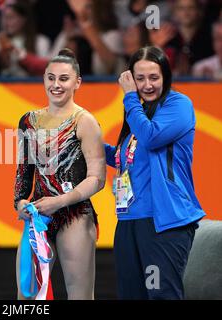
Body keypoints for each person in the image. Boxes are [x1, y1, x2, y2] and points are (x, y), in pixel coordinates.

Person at [105, 46, 206, 299]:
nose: (147, 85)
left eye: (154, 77)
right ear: (131, 78)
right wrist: (89, 140)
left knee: (161, 295)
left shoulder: (178, 104)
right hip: (129, 221)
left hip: (165, 221)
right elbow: (124, 158)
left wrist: (129, 97)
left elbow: (150, 138)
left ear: (166, 77)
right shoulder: (139, 113)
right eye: (140, 79)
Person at [14, 48, 106, 300]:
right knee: (27, 295)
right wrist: (20, 203)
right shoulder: (28, 121)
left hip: (74, 216)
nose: (56, 85)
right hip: (40, 216)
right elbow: (24, 172)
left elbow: (97, 178)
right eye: (51, 78)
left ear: (77, 82)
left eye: (63, 79)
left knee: (79, 296)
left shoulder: (84, 121)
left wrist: (61, 201)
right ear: (43, 78)